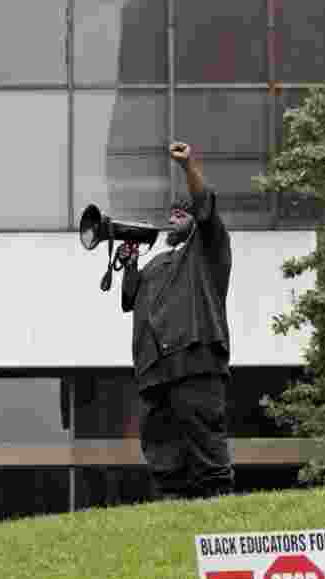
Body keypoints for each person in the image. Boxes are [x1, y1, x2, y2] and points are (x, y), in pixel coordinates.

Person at [116, 141, 234, 500]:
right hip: (155, 372)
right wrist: (131, 262)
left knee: (206, 449)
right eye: (172, 213)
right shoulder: (157, 264)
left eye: (181, 215)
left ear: (196, 224)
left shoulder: (207, 251)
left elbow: (205, 206)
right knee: (164, 455)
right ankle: (173, 514)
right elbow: (129, 299)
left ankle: (219, 510)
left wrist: (188, 167)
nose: (173, 218)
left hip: (194, 361)